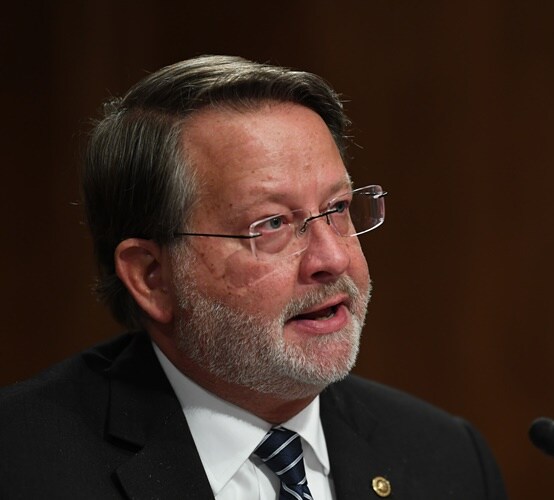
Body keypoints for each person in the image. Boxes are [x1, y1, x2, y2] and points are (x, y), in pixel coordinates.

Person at [0, 55, 506, 499]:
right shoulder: (22, 464)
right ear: (152, 276)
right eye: (271, 225)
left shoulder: (446, 457)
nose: (331, 258)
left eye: (338, 209)